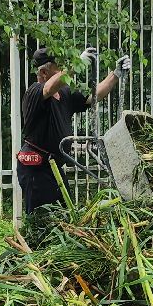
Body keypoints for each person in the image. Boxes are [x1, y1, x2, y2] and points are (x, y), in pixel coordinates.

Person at [17, 45, 128, 242]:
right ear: (44, 72)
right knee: (40, 222)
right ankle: (35, 252)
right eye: (59, 67)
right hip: (36, 168)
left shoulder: (65, 92)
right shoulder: (34, 92)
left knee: (64, 216)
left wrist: (115, 75)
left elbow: (93, 97)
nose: (63, 70)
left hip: (55, 166)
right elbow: (49, 88)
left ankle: (55, 251)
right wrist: (77, 65)